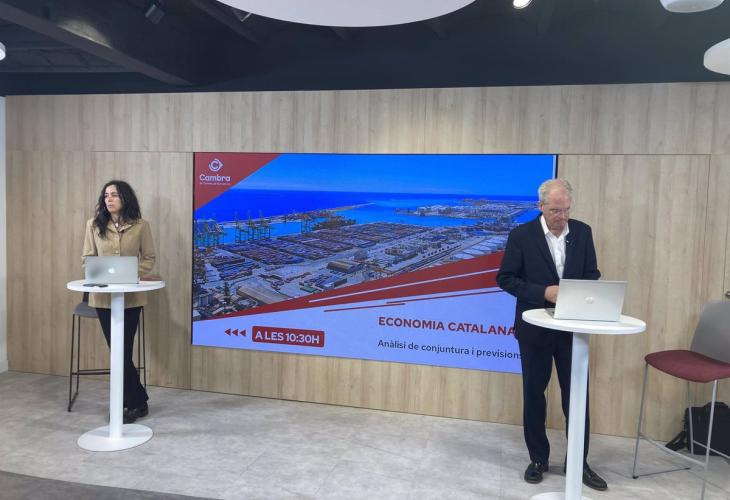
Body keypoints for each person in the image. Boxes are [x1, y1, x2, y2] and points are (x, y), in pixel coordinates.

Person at [496, 178, 607, 491]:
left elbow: (592, 274)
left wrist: (580, 293)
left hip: (573, 329)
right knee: (534, 395)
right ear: (541, 206)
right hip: (535, 329)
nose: (563, 216)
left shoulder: (582, 232)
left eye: (567, 209)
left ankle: (578, 462)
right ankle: (538, 460)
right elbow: (506, 278)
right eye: (556, 210)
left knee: (577, 398)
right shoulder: (521, 235)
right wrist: (543, 292)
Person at [82, 180, 155, 424]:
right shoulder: (93, 225)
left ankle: (133, 402)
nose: (109, 199)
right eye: (106, 195)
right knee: (118, 351)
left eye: (114, 195)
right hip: (103, 298)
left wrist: (129, 274)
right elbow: (87, 259)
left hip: (131, 298)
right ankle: (137, 400)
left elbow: (149, 258)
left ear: (125, 198)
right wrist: (101, 274)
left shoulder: (141, 225)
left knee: (123, 350)